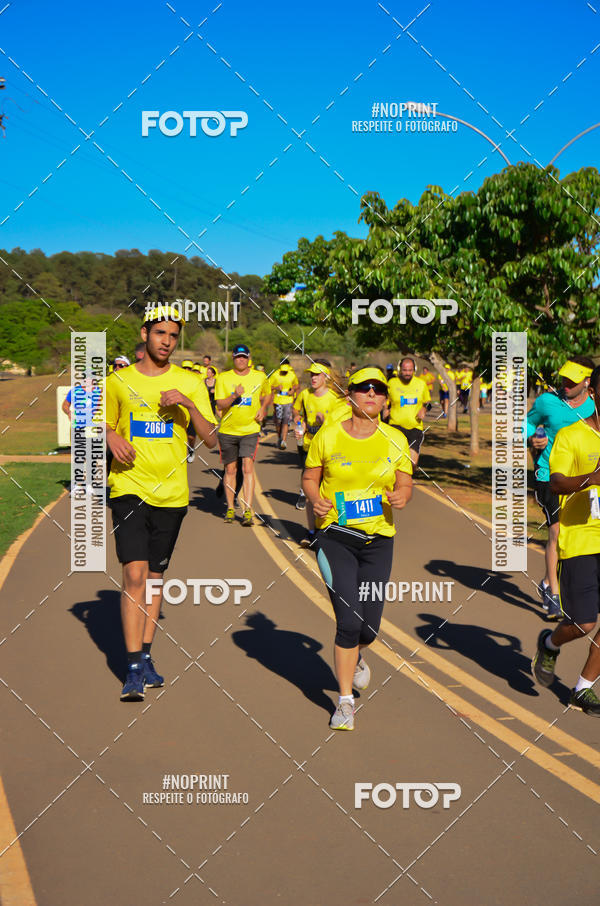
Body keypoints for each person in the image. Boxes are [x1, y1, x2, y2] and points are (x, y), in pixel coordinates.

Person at [105, 305, 217, 702]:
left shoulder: (191, 382)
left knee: (155, 578)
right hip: (128, 487)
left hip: (172, 495)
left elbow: (212, 440)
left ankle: (147, 656)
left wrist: (187, 405)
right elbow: (93, 417)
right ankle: (132, 665)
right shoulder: (119, 381)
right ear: (145, 334)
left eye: (173, 335)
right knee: (133, 576)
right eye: (160, 334)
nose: (166, 341)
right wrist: (110, 436)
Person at [303, 366, 413, 730]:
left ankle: (357, 656)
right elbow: (310, 477)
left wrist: (401, 496)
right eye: (363, 388)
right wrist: (314, 499)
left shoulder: (395, 438)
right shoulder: (328, 436)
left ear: (385, 398)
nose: (371, 394)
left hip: (378, 541)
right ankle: (345, 703)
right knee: (349, 622)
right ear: (350, 395)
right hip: (335, 536)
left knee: (370, 629)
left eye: (378, 389)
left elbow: (405, 485)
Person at [532, 363, 600, 715]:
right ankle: (549, 642)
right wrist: (593, 478)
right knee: (584, 622)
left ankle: (583, 689)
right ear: (596, 393)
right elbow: (556, 483)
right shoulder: (573, 435)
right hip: (583, 539)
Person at [527, 356, 595, 618]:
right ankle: (555, 595)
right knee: (556, 532)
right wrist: (533, 438)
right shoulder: (547, 401)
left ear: (588, 384)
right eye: (564, 377)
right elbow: (527, 424)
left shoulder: (594, 407)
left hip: (584, 481)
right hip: (550, 477)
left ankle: (546, 580)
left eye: (572, 380)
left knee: (573, 535)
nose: (565, 383)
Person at [214, 344, 271, 526]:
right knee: (231, 470)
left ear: (249, 358)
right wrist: (233, 396)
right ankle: (230, 508)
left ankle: (247, 509)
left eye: (244, 357)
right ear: (233, 358)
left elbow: (268, 394)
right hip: (228, 431)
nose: (241, 360)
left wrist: (263, 408)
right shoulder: (223, 378)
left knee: (247, 467)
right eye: (238, 357)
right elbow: (220, 405)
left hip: (250, 430)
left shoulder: (259, 376)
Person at [293, 360, 348, 546]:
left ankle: (340, 530)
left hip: (332, 450)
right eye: (311, 375)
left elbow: (343, 423)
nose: (313, 378)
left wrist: (326, 421)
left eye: (317, 375)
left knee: (335, 490)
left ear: (325, 377)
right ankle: (311, 532)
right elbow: (296, 412)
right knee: (311, 492)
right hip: (309, 447)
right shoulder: (305, 395)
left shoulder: (335, 398)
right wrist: (298, 423)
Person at [385, 357, 430, 466]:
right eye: (405, 370)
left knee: (412, 464)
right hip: (396, 426)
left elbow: (428, 402)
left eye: (410, 370)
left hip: (415, 428)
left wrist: (424, 409)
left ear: (414, 370)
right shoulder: (392, 383)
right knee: (395, 462)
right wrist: (385, 411)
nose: (407, 373)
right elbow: (385, 401)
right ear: (400, 369)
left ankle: (406, 480)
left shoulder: (421, 384)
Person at [270, 358, 299, 449]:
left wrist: (293, 390)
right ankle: (279, 437)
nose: (285, 372)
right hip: (277, 401)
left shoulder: (292, 375)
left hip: (288, 401)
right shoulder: (275, 375)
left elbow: (297, 385)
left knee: (286, 421)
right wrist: (276, 388)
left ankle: (284, 441)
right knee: (278, 421)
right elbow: (268, 387)